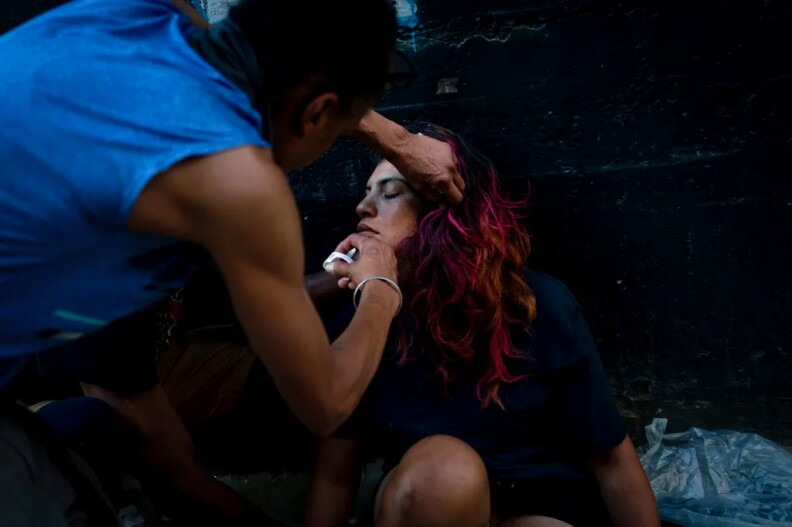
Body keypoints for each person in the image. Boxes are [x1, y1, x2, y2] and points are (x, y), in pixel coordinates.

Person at [0, 0, 464, 524]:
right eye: (335, 129)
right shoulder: (234, 182)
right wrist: (380, 286)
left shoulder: (142, 12)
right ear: (315, 113)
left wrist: (398, 140)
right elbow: (326, 403)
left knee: (89, 431)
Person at [306, 124, 661, 527]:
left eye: (390, 193)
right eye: (366, 193)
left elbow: (613, 463)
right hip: (427, 504)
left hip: (534, 505)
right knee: (448, 474)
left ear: (443, 214)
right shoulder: (362, 318)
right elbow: (335, 478)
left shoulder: (538, 306)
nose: (363, 207)